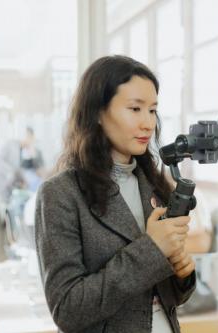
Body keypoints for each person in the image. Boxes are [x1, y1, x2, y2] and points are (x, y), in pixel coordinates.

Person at [35, 55, 196, 333]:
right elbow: (68, 309)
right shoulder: (61, 194)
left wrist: (183, 275)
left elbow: (163, 297)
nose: (148, 123)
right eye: (135, 109)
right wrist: (152, 249)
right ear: (97, 112)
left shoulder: (154, 184)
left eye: (152, 110)